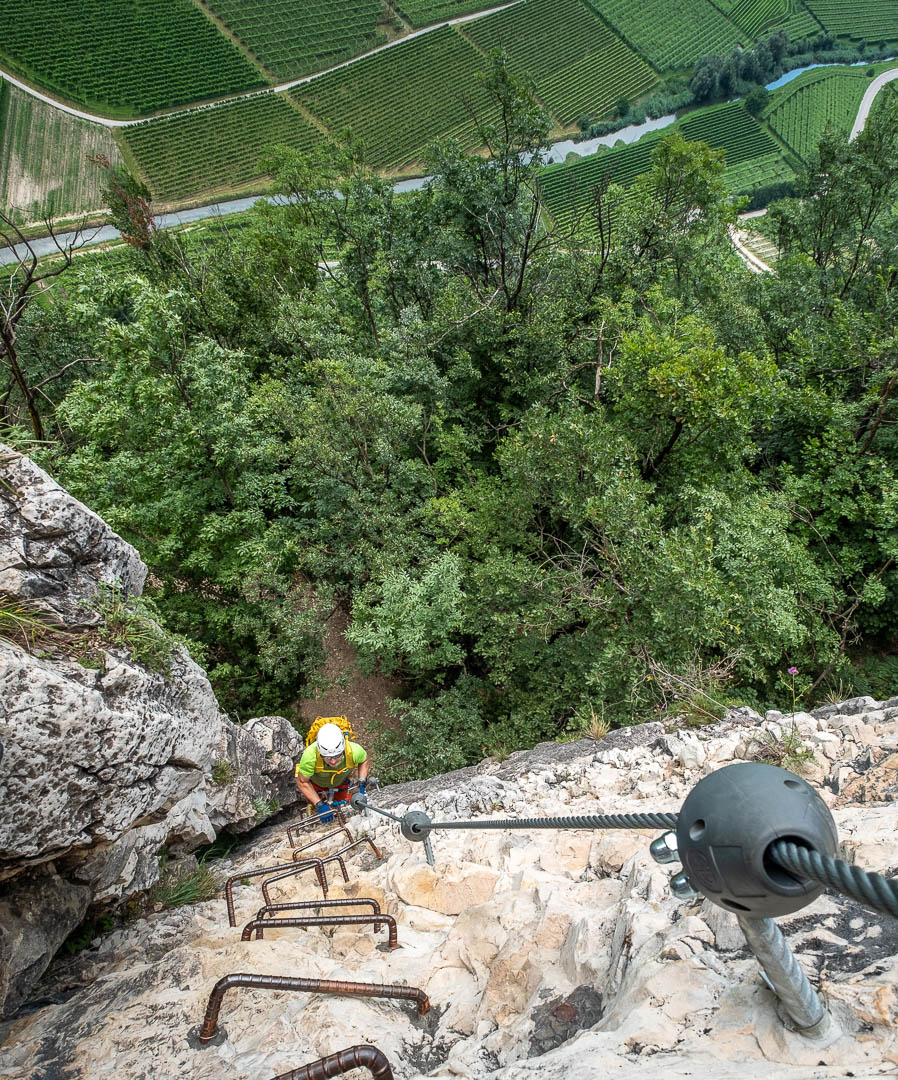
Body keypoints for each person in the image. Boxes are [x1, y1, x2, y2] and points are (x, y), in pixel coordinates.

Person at [294, 721, 370, 823]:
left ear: (343, 750)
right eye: (328, 758)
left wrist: (362, 781)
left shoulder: (354, 751)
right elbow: (302, 782)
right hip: (316, 784)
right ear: (320, 753)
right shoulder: (310, 756)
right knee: (314, 804)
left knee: (339, 803)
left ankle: (337, 810)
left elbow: (364, 760)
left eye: (337, 756)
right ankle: (314, 808)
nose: (333, 761)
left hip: (340, 782)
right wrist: (319, 804)